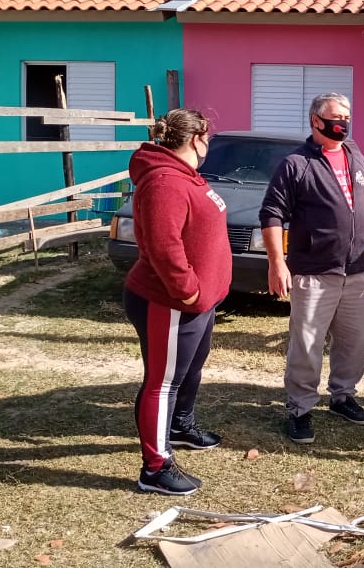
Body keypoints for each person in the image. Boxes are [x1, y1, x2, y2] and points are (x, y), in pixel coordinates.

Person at [260, 92, 364, 444]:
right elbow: (272, 214)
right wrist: (277, 262)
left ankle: (343, 395)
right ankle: (300, 408)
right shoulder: (296, 164)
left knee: (357, 342)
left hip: (357, 272)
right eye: (337, 117)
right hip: (313, 274)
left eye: (347, 116)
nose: (344, 123)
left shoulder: (356, 155)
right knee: (306, 345)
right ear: (316, 121)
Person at [123, 108, 231, 496]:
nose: (209, 145)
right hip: (167, 301)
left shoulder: (186, 176)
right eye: (208, 138)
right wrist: (188, 291)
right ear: (196, 138)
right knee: (162, 382)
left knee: (189, 372)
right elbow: (164, 247)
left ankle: (180, 427)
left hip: (199, 301)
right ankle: (155, 467)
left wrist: (207, 292)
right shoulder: (164, 182)